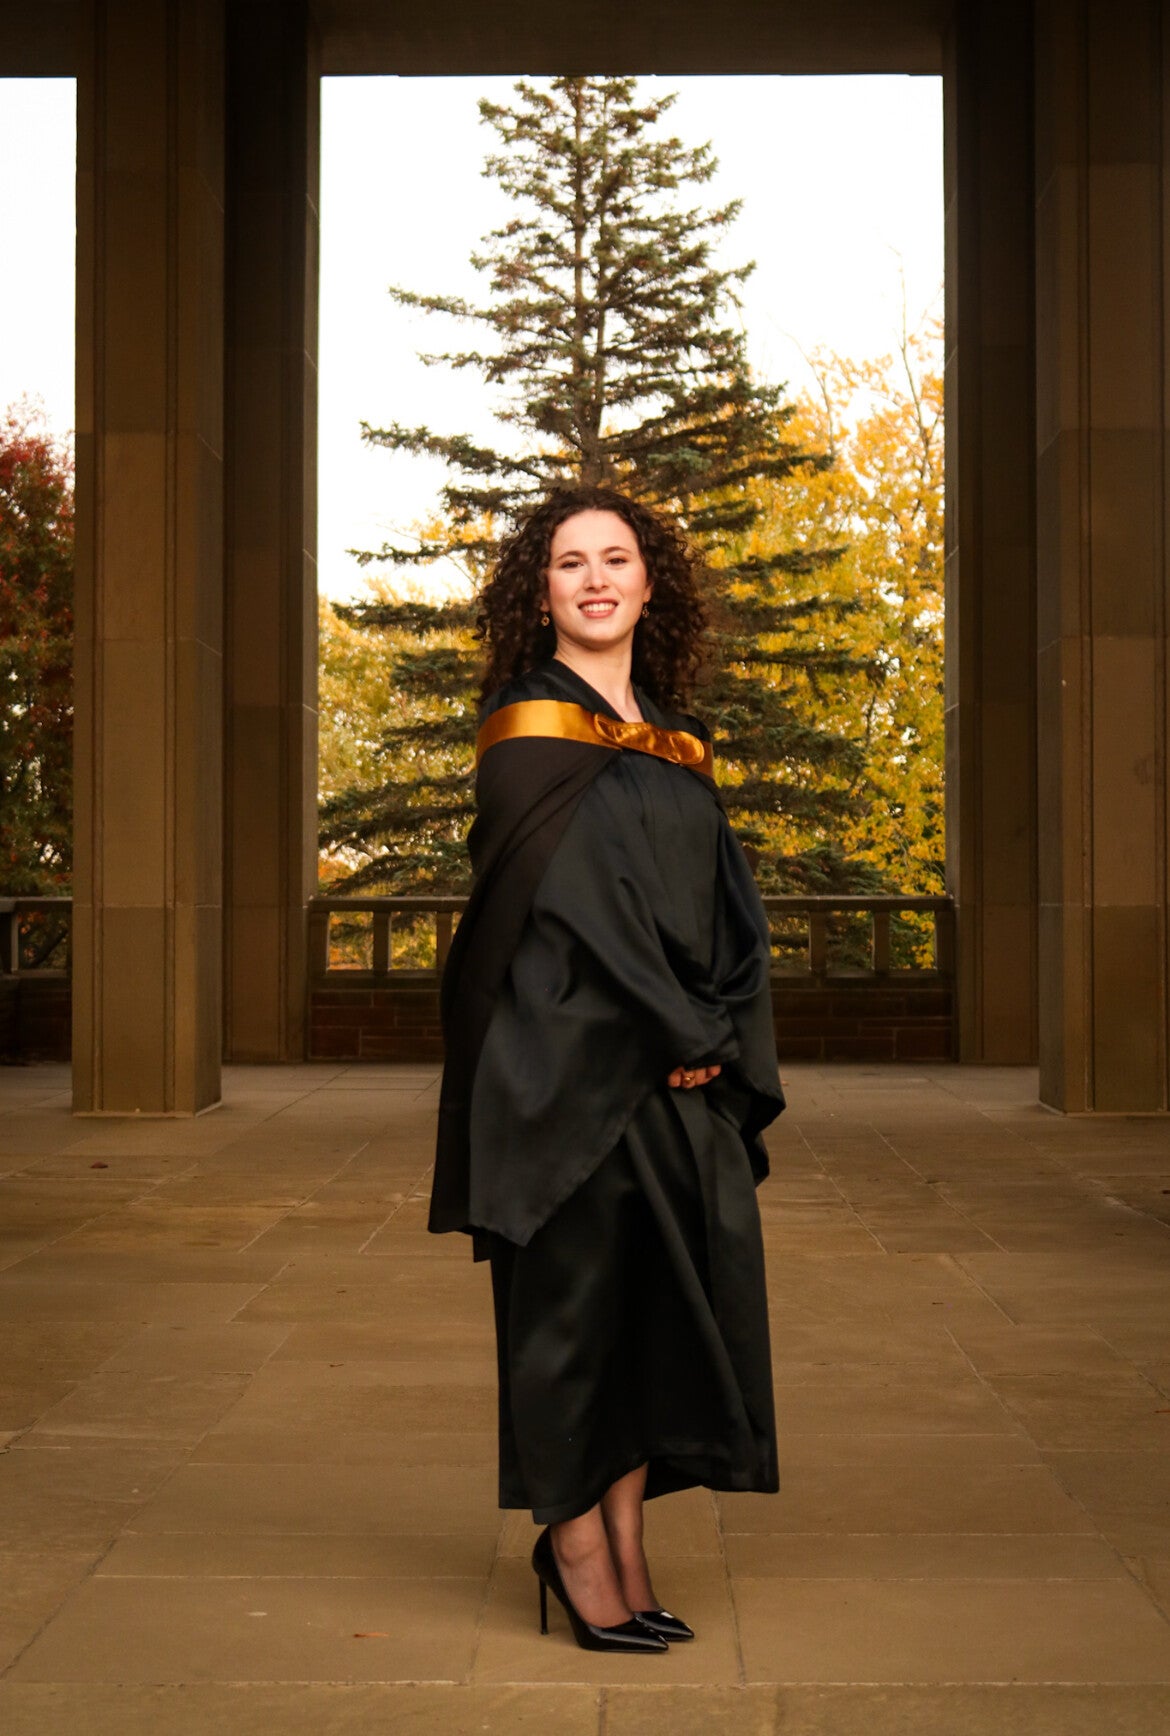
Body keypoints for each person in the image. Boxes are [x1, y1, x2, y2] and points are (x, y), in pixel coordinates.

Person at [428, 483, 785, 1653]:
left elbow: (725, 900)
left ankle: (629, 1545)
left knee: (646, 1317)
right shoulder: (527, 727)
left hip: (674, 1067)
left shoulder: (676, 737)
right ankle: (573, 1545)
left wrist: (724, 1026)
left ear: (648, 581)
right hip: (564, 1073)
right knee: (570, 1320)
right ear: (541, 593)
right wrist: (685, 1030)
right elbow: (583, 907)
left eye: (616, 557)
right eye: (570, 561)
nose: (595, 578)